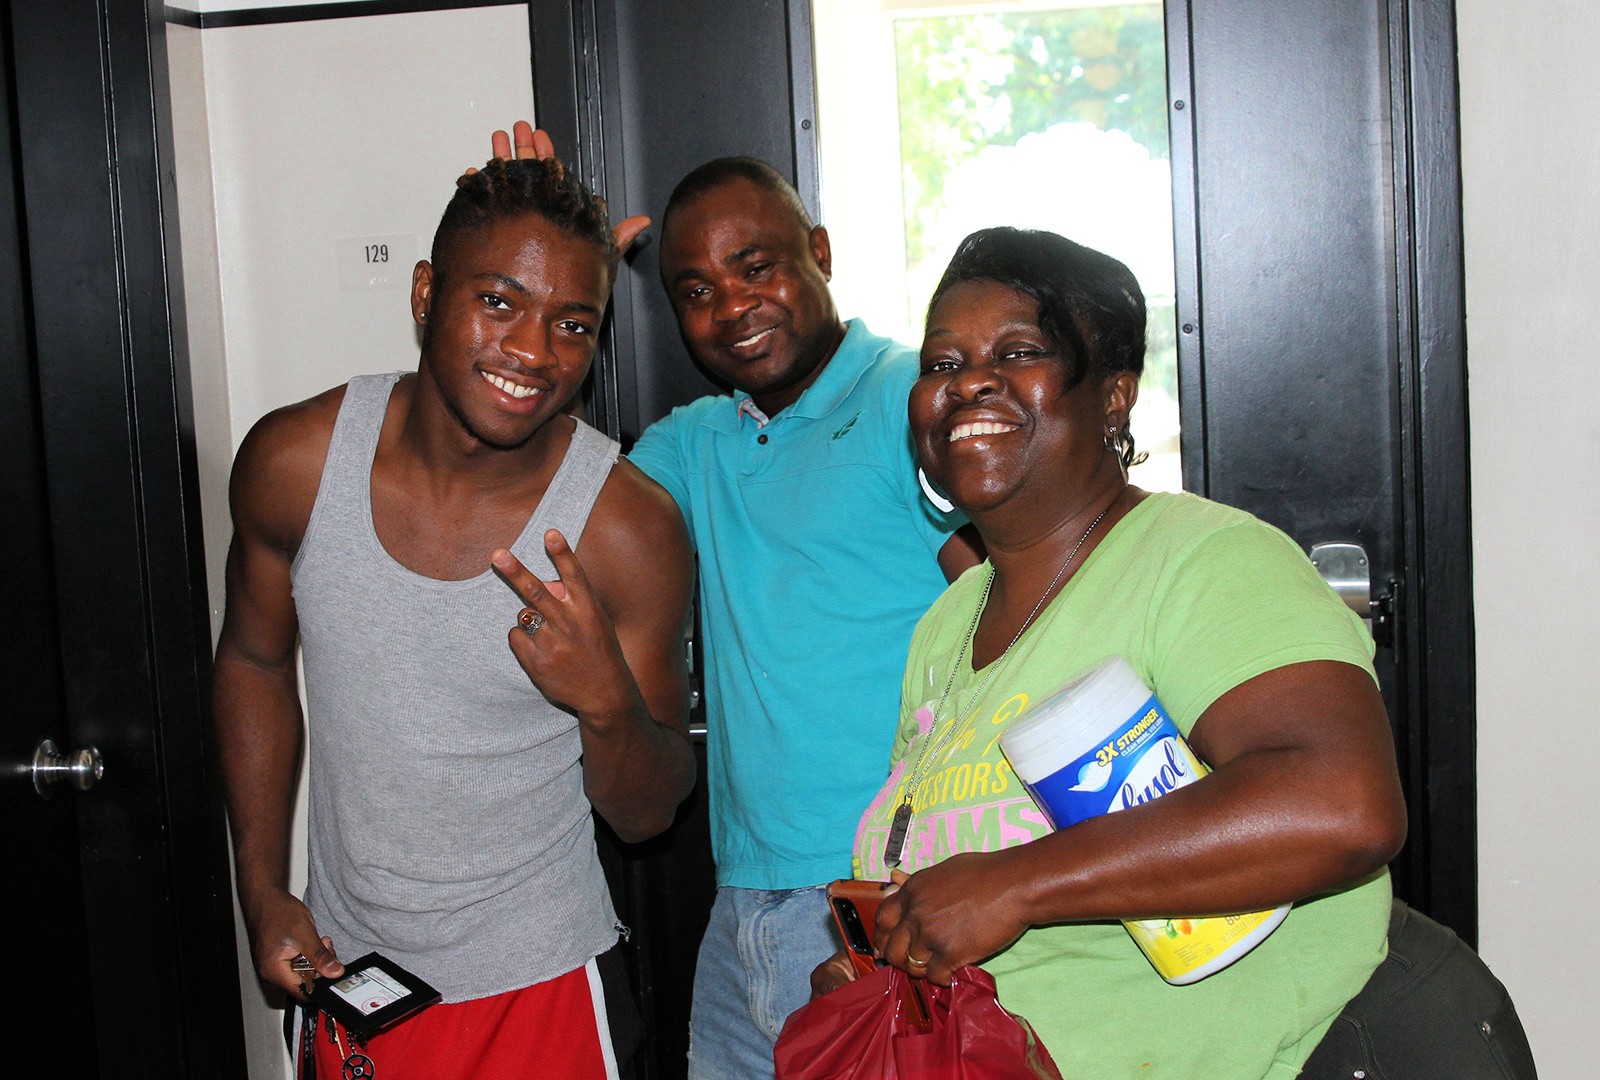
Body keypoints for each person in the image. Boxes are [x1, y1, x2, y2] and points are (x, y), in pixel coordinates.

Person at [810, 226, 1412, 1078]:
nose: (970, 380)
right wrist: (886, 963)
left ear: (1114, 395)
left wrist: (1018, 884)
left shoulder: (1202, 560)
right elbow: (952, 887)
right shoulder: (944, 627)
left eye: (1019, 352)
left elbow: (1343, 804)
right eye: (941, 364)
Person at [212, 156, 695, 1079]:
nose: (534, 352)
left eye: (573, 324)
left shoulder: (628, 530)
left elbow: (648, 812)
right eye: (501, 302)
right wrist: (263, 889)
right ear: (427, 292)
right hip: (351, 980)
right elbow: (254, 662)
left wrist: (607, 706)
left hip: (542, 987)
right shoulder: (295, 461)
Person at [622, 154, 976, 1079]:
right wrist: (564, 268)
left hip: (882, 890)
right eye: (695, 288)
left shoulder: (909, 401)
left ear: (818, 252)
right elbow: (558, 509)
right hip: (743, 893)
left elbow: (1008, 610)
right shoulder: (692, 443)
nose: (732, 304)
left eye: (756, 265)